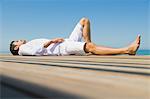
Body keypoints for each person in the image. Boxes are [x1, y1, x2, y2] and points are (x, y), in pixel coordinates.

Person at [10, 17, 141, 56]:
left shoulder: (24, 46)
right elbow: (36, 52)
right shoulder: (23, 49)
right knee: (90, 47)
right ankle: (127, 50)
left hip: (65, 42)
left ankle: (90, 47)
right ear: (16, 47)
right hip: (63, 48)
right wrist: (51, 41)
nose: (19, 39)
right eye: (17, 41)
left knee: (84, 21)